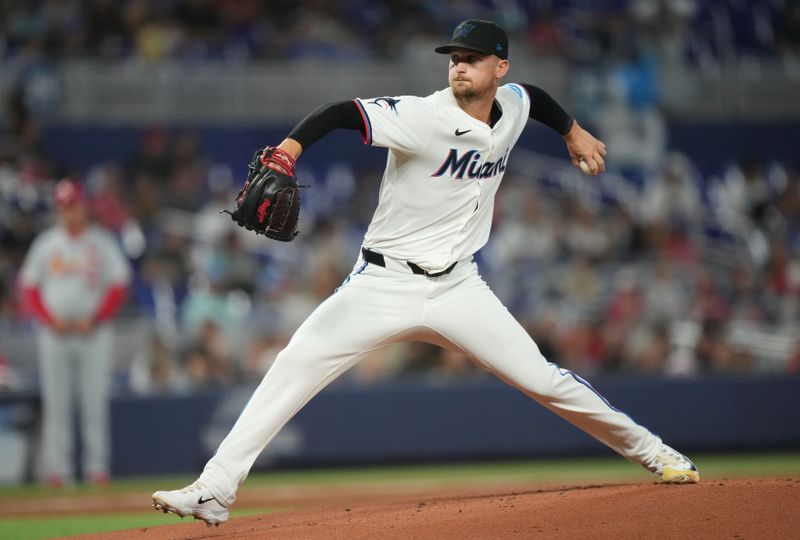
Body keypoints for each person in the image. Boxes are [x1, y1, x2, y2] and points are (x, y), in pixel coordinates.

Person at [153, 20, 699, 526]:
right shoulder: (422, 116)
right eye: (455, 58)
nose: (460, 66)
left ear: (499, 69)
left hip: (458, 286)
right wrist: (289, 151)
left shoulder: (510, 104)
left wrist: (573, 131)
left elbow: (536, 100)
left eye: (473, 59)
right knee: (294, 363)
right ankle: (215, 489)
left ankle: (655, 452)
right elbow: (341, 112)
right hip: (381, 283)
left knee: (543, 380)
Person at [20, 178, 131, 487]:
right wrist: (46, 317)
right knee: (57, 402)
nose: (71, 212)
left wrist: (96, 317)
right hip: (54, 332)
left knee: (93, 400)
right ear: (59, 209)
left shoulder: (101, 241)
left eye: (75, 205)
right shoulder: (46, 243)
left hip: (92, 332)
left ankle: (97, 469)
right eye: (64, 206)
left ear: (83, 207)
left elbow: (119, 283)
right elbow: (29, 287)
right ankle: (59, 471)